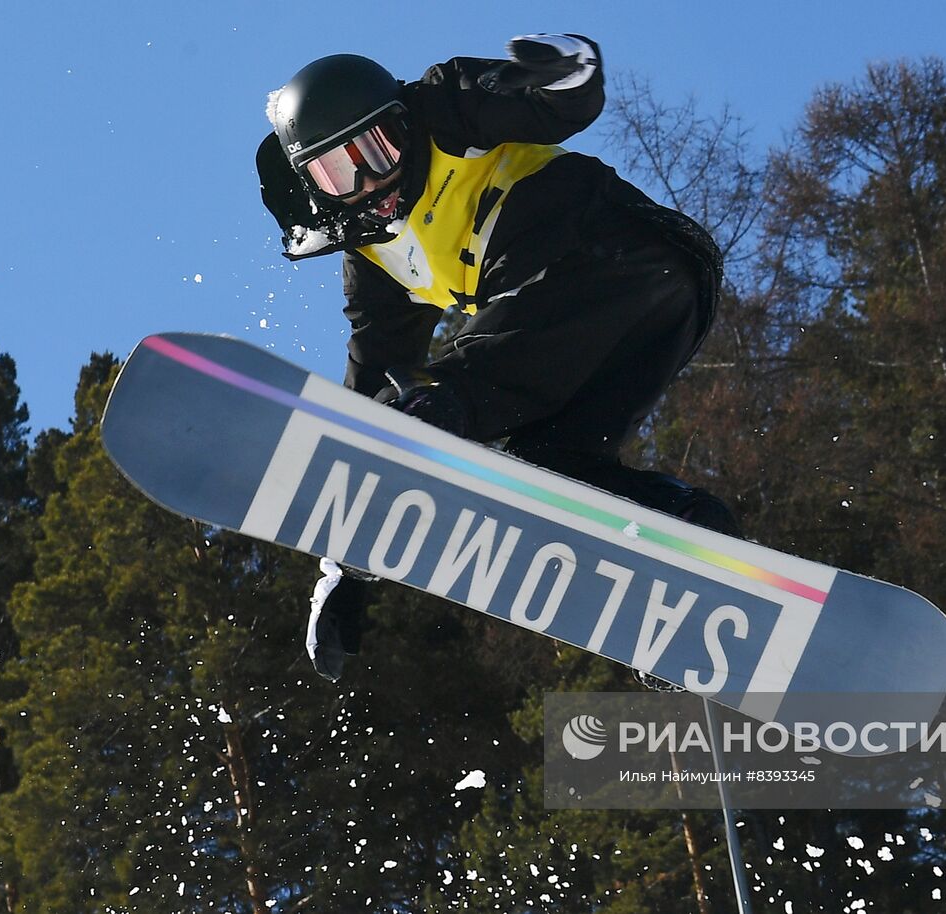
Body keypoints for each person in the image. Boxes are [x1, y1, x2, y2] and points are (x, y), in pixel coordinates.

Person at [257, 34, 739, 683]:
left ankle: (448, 409)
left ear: (403, 124)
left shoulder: (446, 110)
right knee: (547, 469)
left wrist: (566, 71)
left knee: (448, 398)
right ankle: (687, 548)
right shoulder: (373, 267)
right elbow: (369, 403)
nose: (373, 181)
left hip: (618, 252)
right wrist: (343, 566)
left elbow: (554, 106)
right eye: (341, 173)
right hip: (650, 321)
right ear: (314, 189)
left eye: (378, 150)